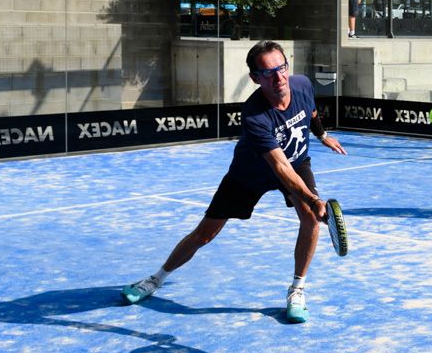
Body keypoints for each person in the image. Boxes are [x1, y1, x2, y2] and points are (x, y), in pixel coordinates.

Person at [121, 41, 348, 323]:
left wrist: (322, 135)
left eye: (282, 68)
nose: (279, 78)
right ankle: (156, 279)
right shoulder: (254, 114)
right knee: (205, 234)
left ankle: (297, 290)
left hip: (298, 161)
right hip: (250, 173)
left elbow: (312, 112)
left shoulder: (301, 85)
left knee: (310, 221)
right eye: (268, 73)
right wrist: (314, 199)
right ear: (255, 78)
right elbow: (279, 166)